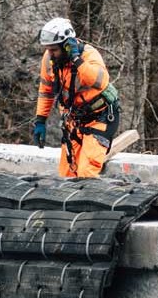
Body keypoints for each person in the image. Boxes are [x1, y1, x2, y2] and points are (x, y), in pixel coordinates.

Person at [32, 18, 122, 178]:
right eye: (48, 49)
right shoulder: (49, 59)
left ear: (67, 45)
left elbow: (100, 81)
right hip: (74, 120)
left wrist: (76, 59)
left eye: (53, 50)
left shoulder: (88, 55)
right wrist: (40, 120)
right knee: (67, 174)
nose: (50, 54)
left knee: (86, 173)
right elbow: (46, 91)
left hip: (100, 118)